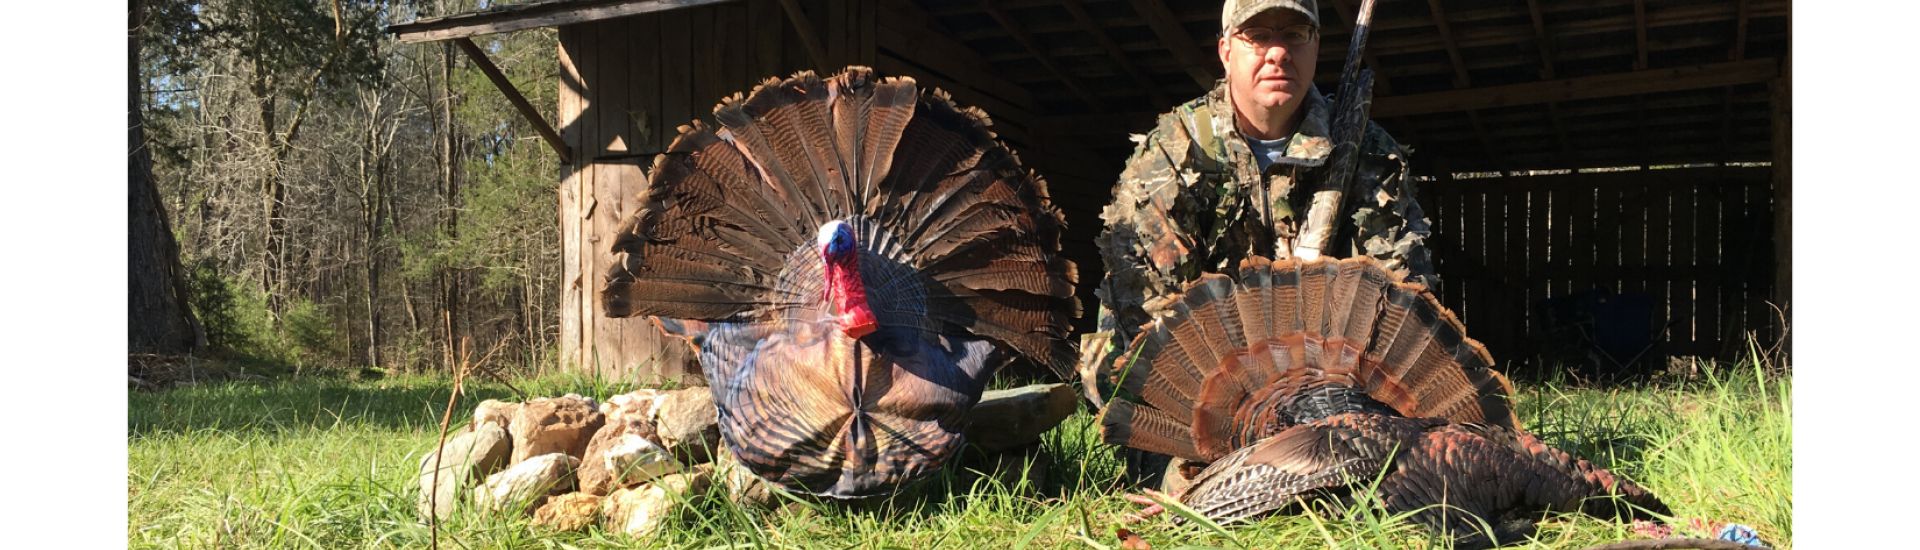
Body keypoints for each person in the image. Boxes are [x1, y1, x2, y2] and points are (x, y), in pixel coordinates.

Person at [1080, 0, 1438, 489]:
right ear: (1226, 51)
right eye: (1257, 35)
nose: (1277, 52)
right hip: (1202, 382)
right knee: (1132, 400)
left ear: (1315, 48)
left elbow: (1406, 296)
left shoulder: (1370, 152)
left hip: (1328, 381)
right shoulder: (1173, 152)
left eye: (1295, 34)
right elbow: (1149, 313)